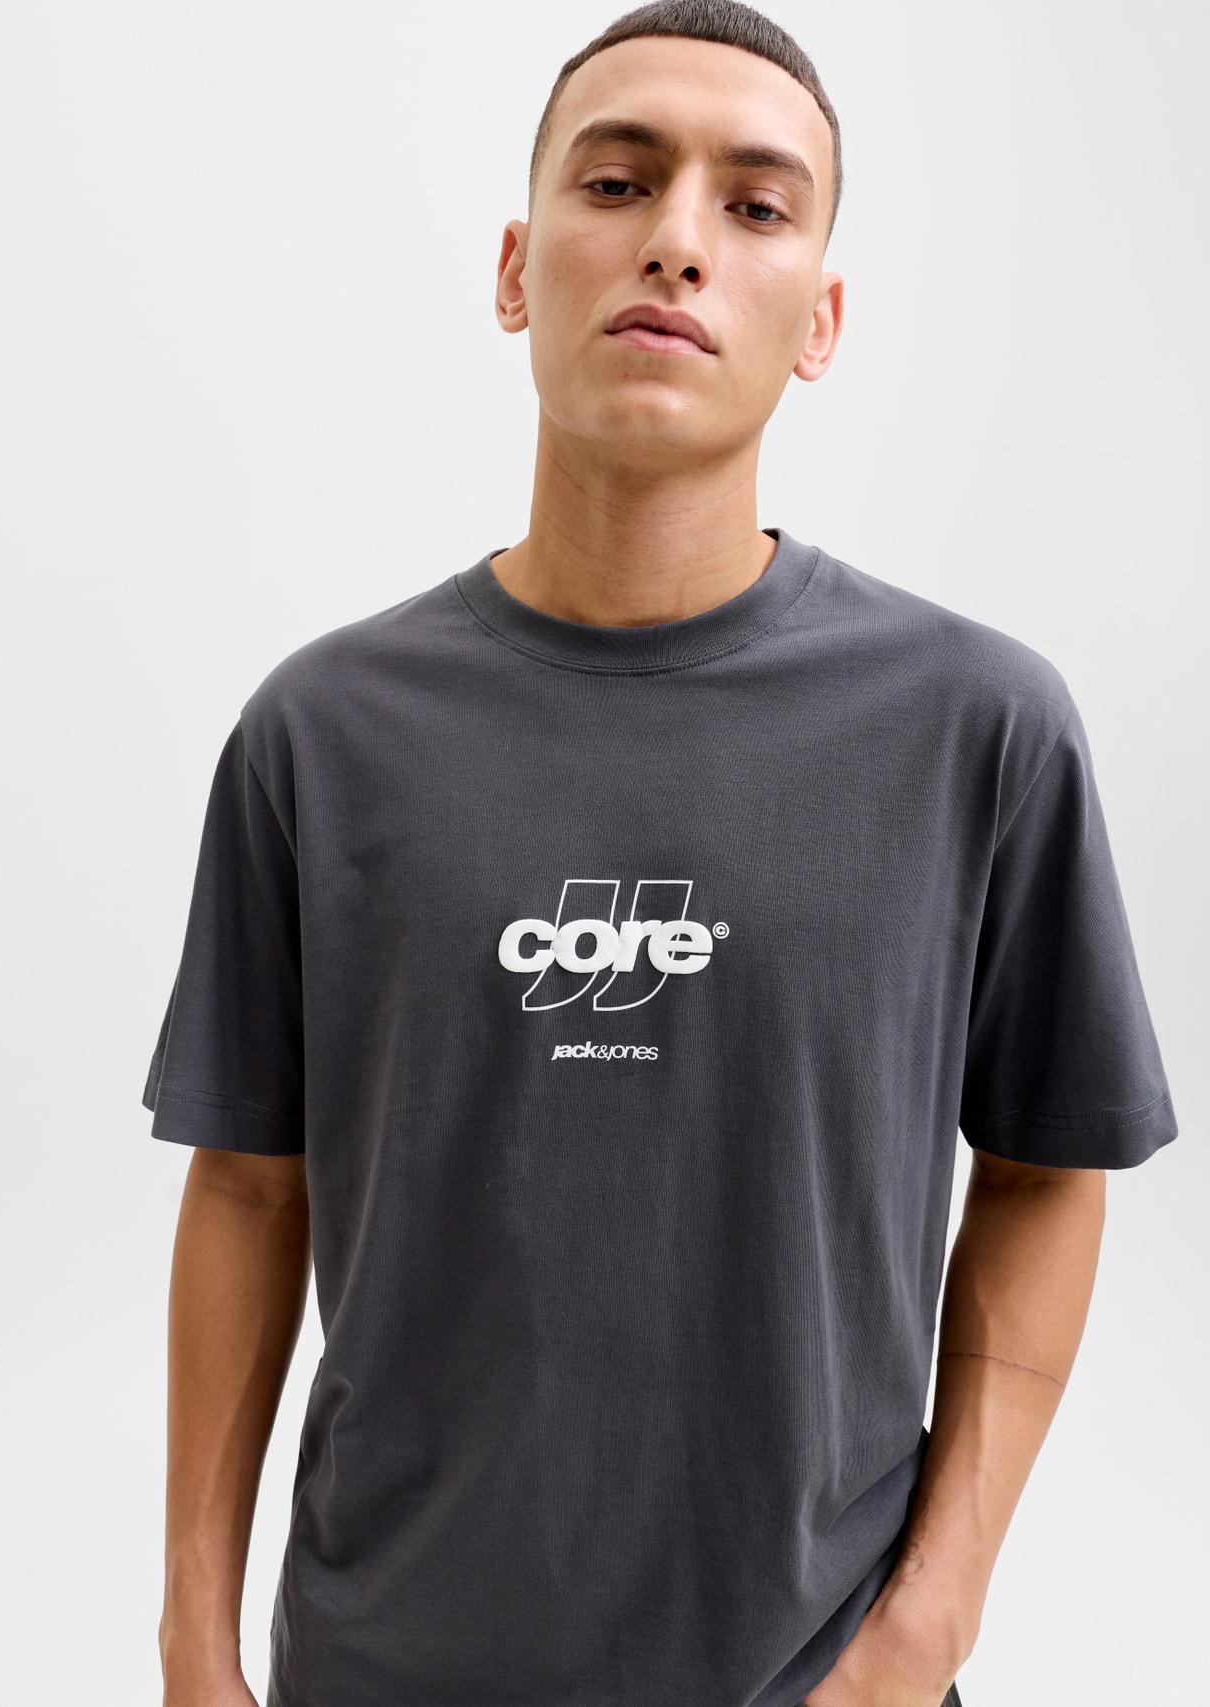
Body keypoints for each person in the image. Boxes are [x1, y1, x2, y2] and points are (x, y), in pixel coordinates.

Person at [141, 4, 1179, 1705]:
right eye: (617, 183)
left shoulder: (976, 727)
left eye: (756, 207)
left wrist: (926, 1629)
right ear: (514, 269)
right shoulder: (321, 735)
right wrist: (193, 1646)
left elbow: (1051, 1167)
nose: (678, 242)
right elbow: (249, 1187)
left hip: (815, 1680)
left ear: (820, 318)